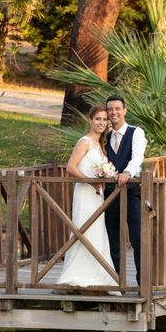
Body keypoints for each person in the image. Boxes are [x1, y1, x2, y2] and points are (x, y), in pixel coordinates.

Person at [56, 105, 119, 293]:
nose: (101, 123)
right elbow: (71, 167)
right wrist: (90, 182)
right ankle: (77, 275)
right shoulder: (84, 142)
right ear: (90, 120)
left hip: (97, 196)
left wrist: (103, 179)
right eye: (98, 119)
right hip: (85, 193)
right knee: (83, 229)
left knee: (97, 231)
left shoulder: (101, 145)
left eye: (104, 120)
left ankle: (99, 275)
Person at [104, 95, 147, 286]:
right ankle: (117, 283)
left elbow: (137, 157)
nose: (114, 112)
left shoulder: (135, 132)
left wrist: (128, 172)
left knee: (138, 238)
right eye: (110, 109)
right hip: (110, 194)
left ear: (124, 111)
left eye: (117, 108)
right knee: (113, 239)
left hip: (131, 193)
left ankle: (142, 283)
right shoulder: (105, 136)